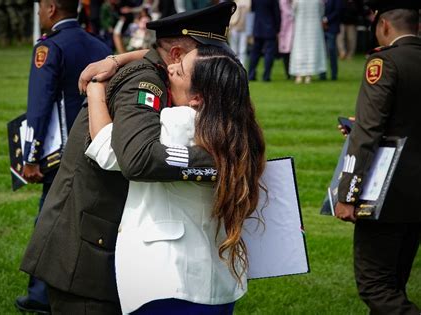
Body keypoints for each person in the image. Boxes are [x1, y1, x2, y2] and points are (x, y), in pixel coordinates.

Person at [20, 3, 237, 314]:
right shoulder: (144, 82)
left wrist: (118, 57)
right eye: (205, 53)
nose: (217, 64)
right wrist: (223, 159)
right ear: (176, 56)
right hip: (86, 254)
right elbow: (131, 156)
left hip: (104, 242)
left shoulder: (166, 73)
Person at [85, 44, 265, 314]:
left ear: (197, 98)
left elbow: (109, 152)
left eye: (179, 72)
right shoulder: (238, 130)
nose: (169, 68)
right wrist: (121, 58)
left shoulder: (176, 122)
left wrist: (95, 89)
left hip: (166, 276)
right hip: (221, 281)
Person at [15, 0, 112, 313]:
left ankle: (41, 294)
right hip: (98, 143)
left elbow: (39, 107)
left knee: (51, 218)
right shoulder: (101, 45)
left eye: (41, 7)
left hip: (61, 155)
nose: (40, 13)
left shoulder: (49, 48)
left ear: (52, 9)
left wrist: (30, 157)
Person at [334, 0, 421, 314]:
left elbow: (367, 135)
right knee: (395, 279)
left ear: (383, 25)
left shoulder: (384, 63)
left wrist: (347, 194)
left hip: (387, 191)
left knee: (375, 285)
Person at [289, 0, 327, 84]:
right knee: (312, 50)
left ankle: (299, 75)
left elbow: (293, 12)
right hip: (313, 27)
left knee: (299, 50)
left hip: (301, 26)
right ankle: (308, 76)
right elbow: (321, 12)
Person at [248, 0, 281, 82]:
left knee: (254, 54)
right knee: (269, 54)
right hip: (270, 28)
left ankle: (251, 74)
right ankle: (266, 76)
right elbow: (277, 14)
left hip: (257, 28)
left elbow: (252, 10)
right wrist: (277, 29)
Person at [320, 0, 343, 81]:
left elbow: (338, 10)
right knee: (321, 51)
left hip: (331, 27)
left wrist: (326, 19)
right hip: (319, 28)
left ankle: (334, 74)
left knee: (331, 50)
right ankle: (322, 74)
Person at [229, 0, 251, 66]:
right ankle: (233, 66)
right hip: (234, 27)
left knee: (242, 50)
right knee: (233, 49)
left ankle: (242, 67)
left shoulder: (249, 1)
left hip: (244, 28)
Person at [278, 0, 295, 79]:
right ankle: (288, 73)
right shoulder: (282, 2)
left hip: (292, 28)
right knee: (286, 53)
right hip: (284, 28)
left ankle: (292, 71)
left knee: (291, 52)